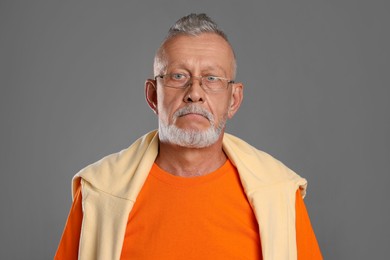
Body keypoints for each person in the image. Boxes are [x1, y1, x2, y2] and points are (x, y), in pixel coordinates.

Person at [55, 13, 322, 259]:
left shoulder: (279, 194)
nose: (195, 92)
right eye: (178, 76)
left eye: (212, 78)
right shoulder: (100, 192)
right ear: (152, 95)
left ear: (234, 99)